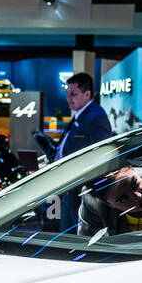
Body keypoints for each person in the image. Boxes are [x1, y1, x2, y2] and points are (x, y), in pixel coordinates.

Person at [57, 72, 113, 228]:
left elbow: (101, 159)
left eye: (73, 94)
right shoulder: (80, 116)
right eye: (67, 94)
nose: (68, 98)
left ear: (87, 94)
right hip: (70, 190)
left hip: (81, 194)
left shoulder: (96, 118)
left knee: (75, 240)